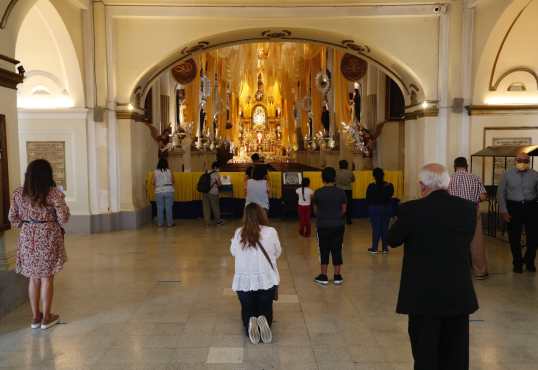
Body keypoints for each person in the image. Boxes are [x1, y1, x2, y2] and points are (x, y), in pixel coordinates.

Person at [387, 163, 478, 370]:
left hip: (423, 296)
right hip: (457, 293)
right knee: (456, 353)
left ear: (422, 185)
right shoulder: (467, 209)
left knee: (426, 353)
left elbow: (392, 239)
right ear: (448, 183)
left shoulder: (411, 210)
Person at [8, 159, 70, 330]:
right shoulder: (53, 194)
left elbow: (12, 218)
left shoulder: (18, 193)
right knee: (47, 278)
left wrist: (27, 225)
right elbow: (64, 218)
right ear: (47, 175)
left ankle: (35, 317)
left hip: (28, 238)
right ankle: (47, 317)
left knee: (33, 279)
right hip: (48, 237)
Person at [230, 203, 281, 344]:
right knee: (266, 306)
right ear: (261, 214)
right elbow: (278, 252)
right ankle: (264, 320)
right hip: (266, 280)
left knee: (247, 308)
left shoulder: (239, 232)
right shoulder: (271, 231)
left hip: (244, 282)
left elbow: (233, 252)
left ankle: (250, 323)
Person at [448, 157, 489, 279]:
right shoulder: (475, 178)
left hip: (453, 213)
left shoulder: (448, 179)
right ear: (467, 166)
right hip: (471, 211)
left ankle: (455, 271)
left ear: (454, 166)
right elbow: (482, 196)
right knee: (476, 243)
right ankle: (480, 271)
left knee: (454, 241)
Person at [498, 152, 538, 273]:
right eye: (520, 160)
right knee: (514, 237)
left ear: (529, 162)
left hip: (531, 207)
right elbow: (501, 193)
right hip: (513, 207)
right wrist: (504, 210)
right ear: (515, 161)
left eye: (526, 161)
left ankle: (529, 261)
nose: (523, 163)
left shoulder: (535, 175)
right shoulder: (507, 174)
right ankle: (517, 263)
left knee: (534, 237)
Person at [312, 167, 347, 285]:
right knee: (337, 248)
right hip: (338, 225)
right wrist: (336, 215)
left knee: (324, 249)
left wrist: (324, 215)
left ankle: (323, 275)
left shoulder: (318, 192)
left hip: (323, 225)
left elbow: (315, 210)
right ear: (334, 177)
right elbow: (344, 209)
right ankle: (337, 276)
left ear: (322, 178)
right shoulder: (341, 192)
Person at [366, 168, 394, 255]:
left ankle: (374, 248)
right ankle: (385, 248)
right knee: (385, 228)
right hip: (386, 208)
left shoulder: (371, 186)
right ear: (383, 175)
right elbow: (391, 195)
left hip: (374, 209)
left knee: (376, 228)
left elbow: (367, 198)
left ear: (373, 176)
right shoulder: (389, 185)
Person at [153, 158, 175, 227]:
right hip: (169, 190)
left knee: (160, 208)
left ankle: (160, 223)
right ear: (166, 164)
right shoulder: (170, 171)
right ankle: (170, 223)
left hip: (159, 191)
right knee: (169, 208)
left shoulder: (155, 172)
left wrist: (158, 184)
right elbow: (173, 181)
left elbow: (153, 182)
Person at [202, 161, 223, 225]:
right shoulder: (216, 174)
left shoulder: (207, 172)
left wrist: (205, 165)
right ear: (216, 167)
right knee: (215, 207)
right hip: (213, 193)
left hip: (205, 192)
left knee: (206, 207)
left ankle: (207, 221)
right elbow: (219, 184)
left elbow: (204, 169)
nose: (219, 169)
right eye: (219, 168)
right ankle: (218, 221)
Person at [336, 160, 355, 224]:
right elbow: (353, 180)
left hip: (339, 190)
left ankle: (340, 219)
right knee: (348, 205)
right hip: (348, 190)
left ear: (340, 165)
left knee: (339, 204)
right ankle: (348, 220)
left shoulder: (336, 172)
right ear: (347, 165)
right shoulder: (350, 172)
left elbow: (334, 180)